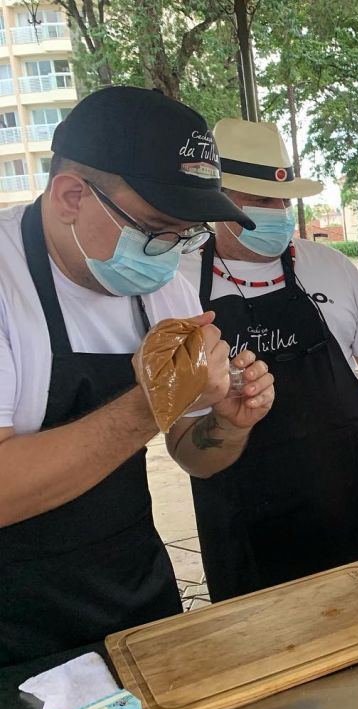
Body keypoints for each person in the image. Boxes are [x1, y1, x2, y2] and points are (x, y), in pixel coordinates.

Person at [0, 87, 276, 666]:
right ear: (72, 195)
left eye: (188, 234)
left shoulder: (163, 288)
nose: (171, 253)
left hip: (131, 587)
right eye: (155, 229)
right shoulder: (7, 285)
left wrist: (227, 424)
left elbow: (194, 454)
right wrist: (150, 405)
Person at [179, 118, 358, 601]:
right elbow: (183, 425)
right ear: (219, 200)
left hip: (351, 496)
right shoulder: (179, 283)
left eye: (283, 199)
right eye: (262, 200)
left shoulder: (330, 266)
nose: (279, 210)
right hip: (248, 517)